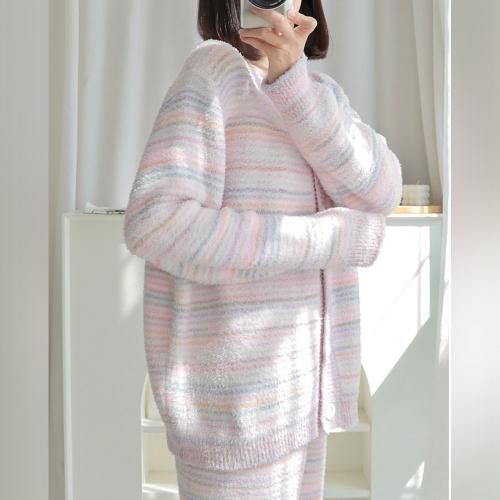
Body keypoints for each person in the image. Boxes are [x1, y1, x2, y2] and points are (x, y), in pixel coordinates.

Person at [123, 0, 403, 498]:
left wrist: (295, 87)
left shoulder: (320, 94)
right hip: (237, 417)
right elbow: (156, 223)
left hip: (302, 410)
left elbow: (382, 191)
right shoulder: (212, 74)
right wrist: (327, 239)